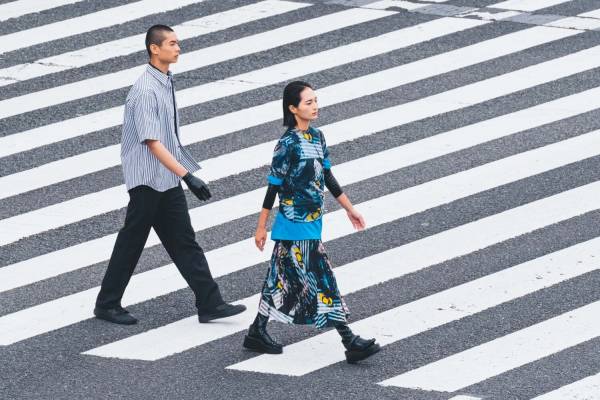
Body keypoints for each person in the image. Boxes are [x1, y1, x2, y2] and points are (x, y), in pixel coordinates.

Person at [93, 25, 245, 325]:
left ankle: (209, 302)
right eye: (172, 43)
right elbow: (151, 142)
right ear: (154, 48)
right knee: (132, 241)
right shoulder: (146, 90)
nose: (178, 48)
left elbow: (167, 138)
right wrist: (188, 176)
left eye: (178, 43)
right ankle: (107, 304)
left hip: (166, 178)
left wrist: (180, 174)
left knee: (184, 241)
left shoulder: (164, 81)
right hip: (148, 179)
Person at [242, 81, 380, 363]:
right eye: (308, 103)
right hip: (293, 224)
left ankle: (257, 330)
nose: (314, 106)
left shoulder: (318, 137)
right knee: (322, 277)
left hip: (313, 221)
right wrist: (261, 226)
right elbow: (273, 186)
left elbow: (327, 176)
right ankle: (348, 339)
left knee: (278, 279)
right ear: (293, 108)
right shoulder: (286, 145)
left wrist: (349, 208)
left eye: (315, 101)